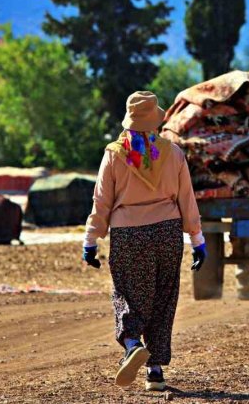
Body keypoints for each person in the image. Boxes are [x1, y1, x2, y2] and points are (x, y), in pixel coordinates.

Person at [82, 91, 207, 391]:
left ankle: (131, 345)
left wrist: (91, 239)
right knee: (163, 297)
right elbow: (187, 199)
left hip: (129, 233)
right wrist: (197, 238)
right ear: (155, 120)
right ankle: (155, 372)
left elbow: (101, 201)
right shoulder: (173, 153)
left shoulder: (114, 153)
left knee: (128, 293)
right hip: (167, 232)